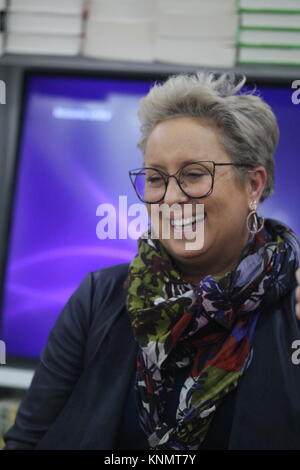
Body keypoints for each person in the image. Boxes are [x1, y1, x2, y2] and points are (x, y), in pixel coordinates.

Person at [3, 72, 300, 451]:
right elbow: (28, 441)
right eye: (156, 179)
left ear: (254, 185)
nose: (170, 198)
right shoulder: (100, 298)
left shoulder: (293, 308)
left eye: (194, 175)